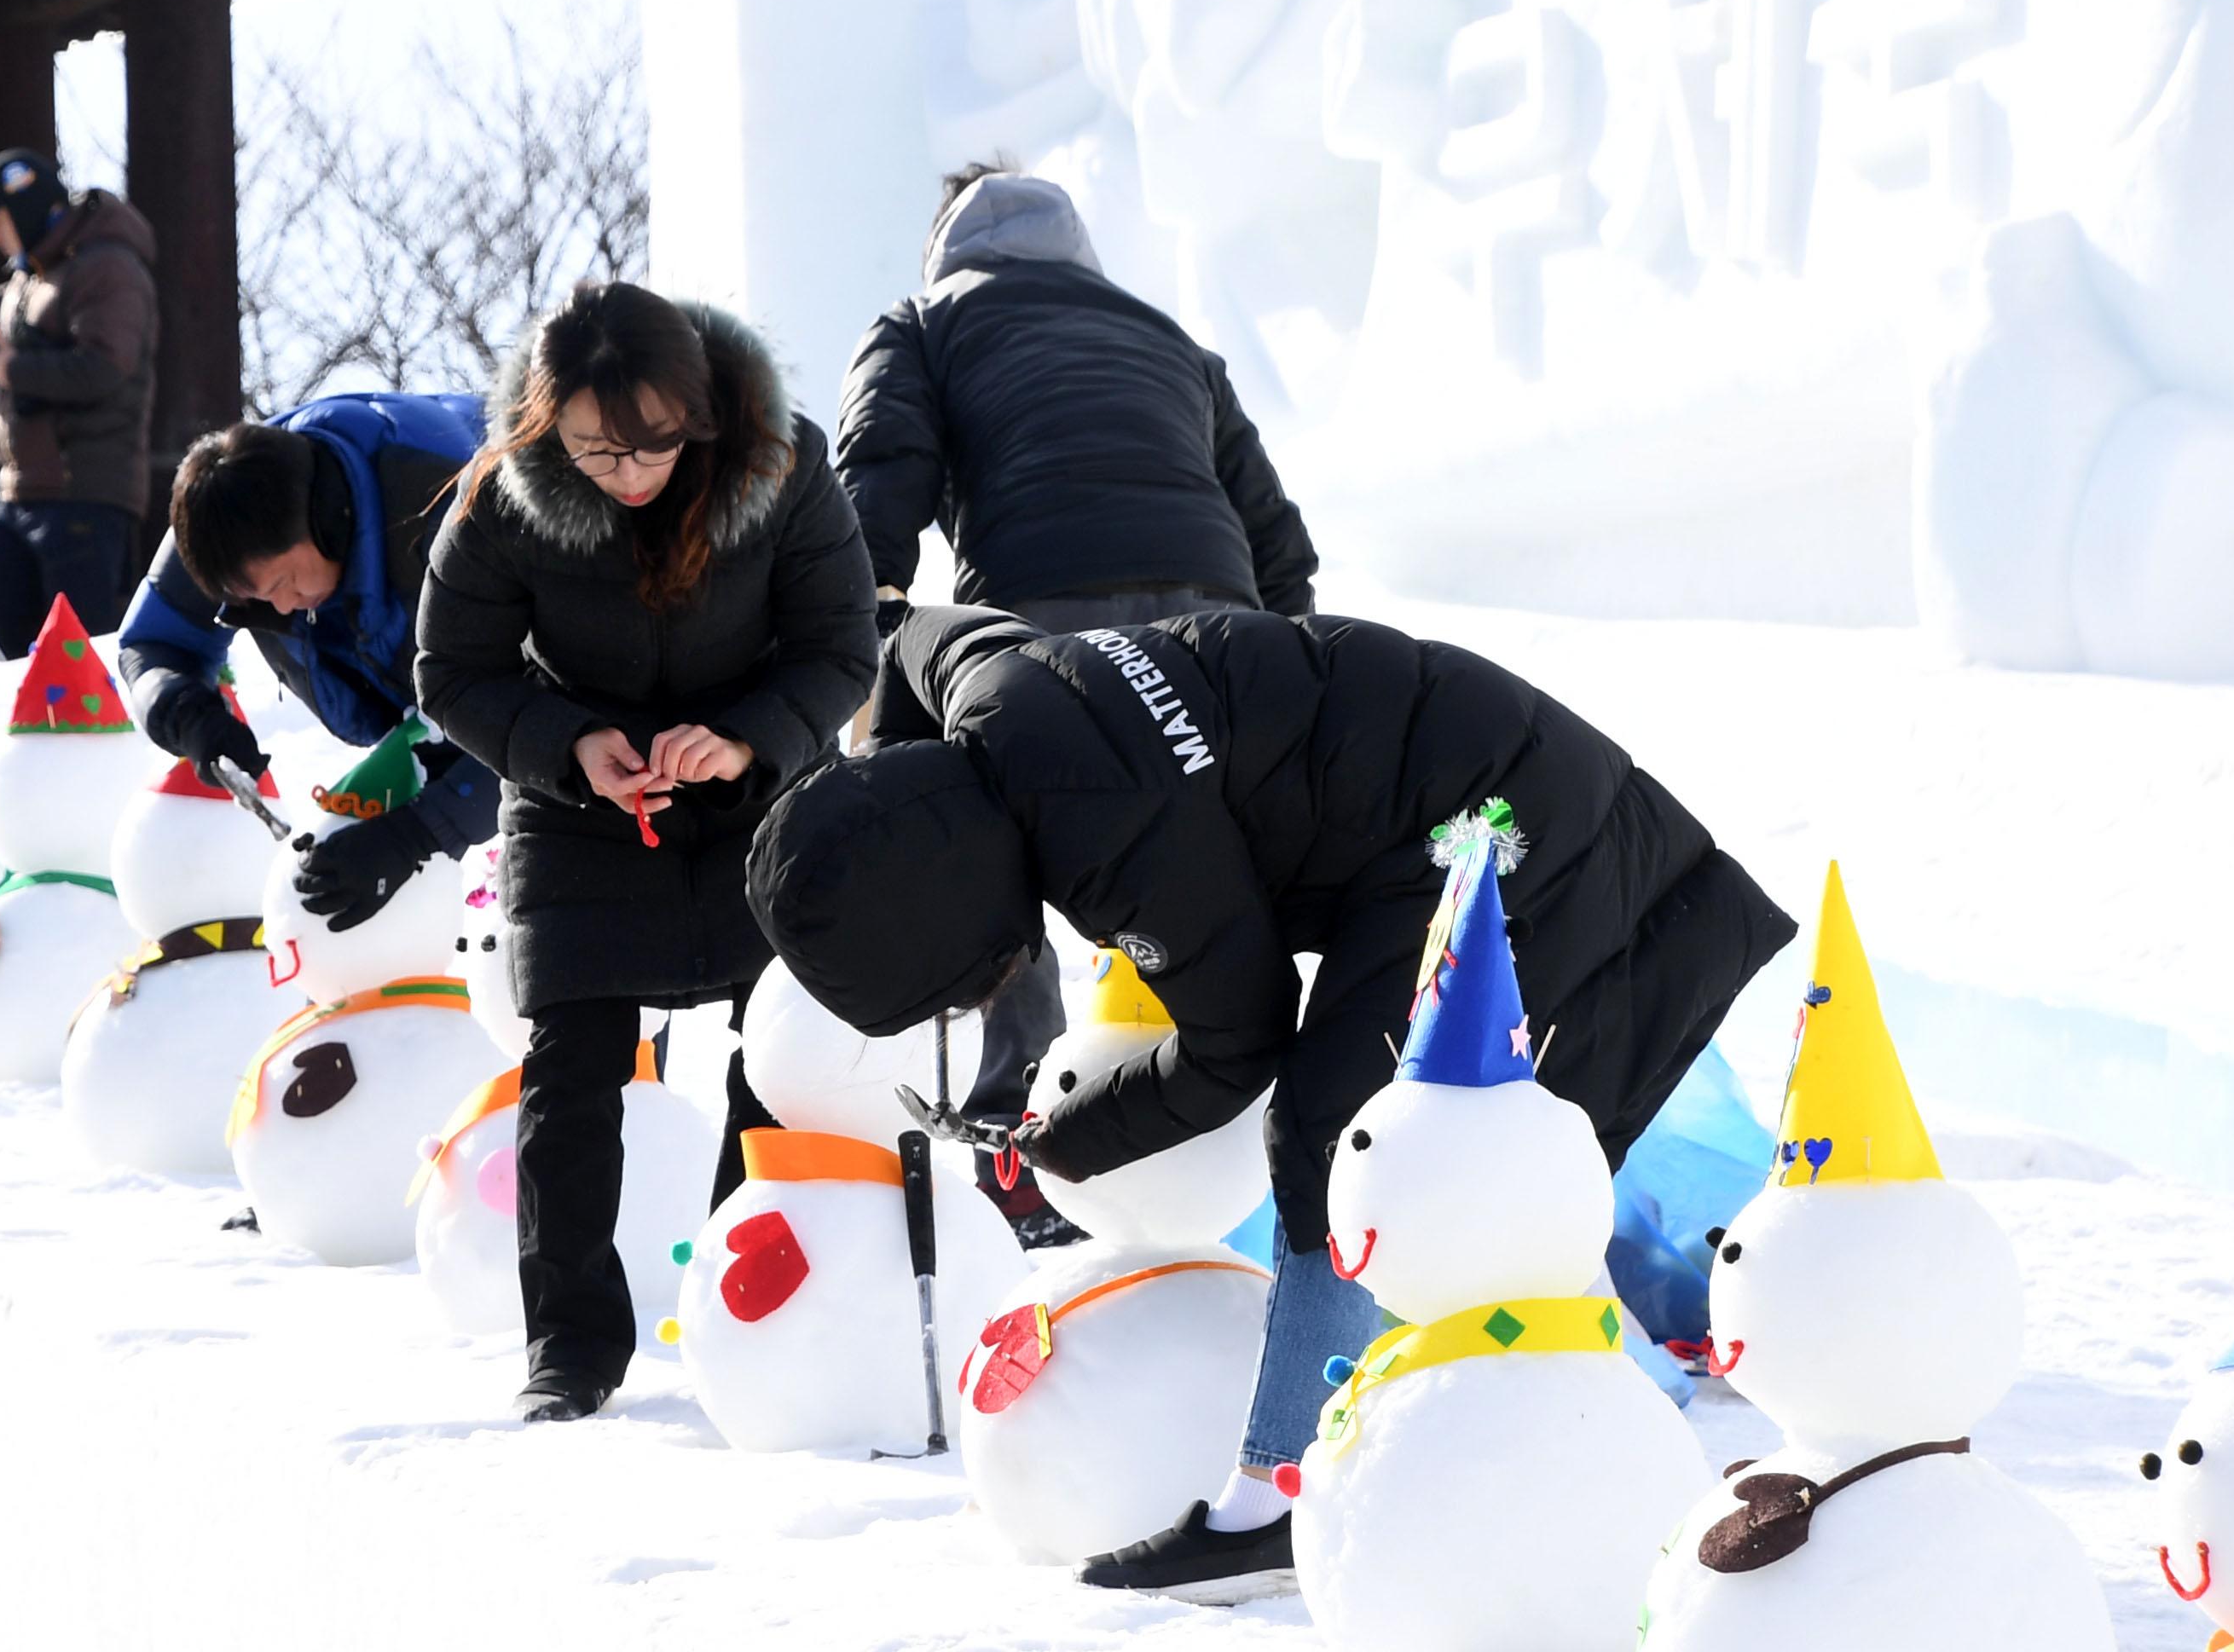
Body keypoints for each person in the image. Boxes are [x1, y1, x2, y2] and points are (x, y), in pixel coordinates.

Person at [745, 604, 1795, 1595]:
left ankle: (1273, 1503)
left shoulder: (1116, 844)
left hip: (1493, 820)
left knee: (1345, 1137)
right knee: (1440, 1132)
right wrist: (883, 769)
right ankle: (1597, 1363)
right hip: (1466, 756)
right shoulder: (988, 688)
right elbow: (910, 630)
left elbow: (1237, 1041)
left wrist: (1068, 1135)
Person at [416, 282, 877, 1424]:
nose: (629, 474)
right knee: (570, 1066)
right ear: (545, 424)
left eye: (655, 446)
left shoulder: (782, 462)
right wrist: (570, 745)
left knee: (773, 1056)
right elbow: (452, 672)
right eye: (595, 450)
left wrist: (746, 739)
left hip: (751, 789)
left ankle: (740, 1298)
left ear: (703, 411)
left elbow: (840, 648)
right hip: (579, 797)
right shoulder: (499, 499)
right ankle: (568, 1347)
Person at [831, 165, 1320, 1224]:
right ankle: (1242, 1151)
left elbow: (880, 469)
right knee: (1222, 864)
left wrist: (862, 623)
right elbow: (1279, 539)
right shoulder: (1169, 339)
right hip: (1217, 623)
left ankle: (1022, 1165)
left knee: (1006, 860)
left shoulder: (924, 320)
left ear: (944, 247)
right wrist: (1281, 653)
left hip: (1039, 617)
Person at [116, 396, 500, 923]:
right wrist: (190, 716)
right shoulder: (221, 512)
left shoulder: (452, 506)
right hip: (433, 711)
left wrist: (418, 832)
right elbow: (153, 644)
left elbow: (553, 700)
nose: (279, 608)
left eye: (283, 583)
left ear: (324, 519)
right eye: (256, 599)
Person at [0, 148, 159, 642]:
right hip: (21, 492)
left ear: (25, 212)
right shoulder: (26, 280)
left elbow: (105, 368)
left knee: (77, 653)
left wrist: (16, 369)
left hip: (85, 493)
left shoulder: (108, 267)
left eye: (0, 222)